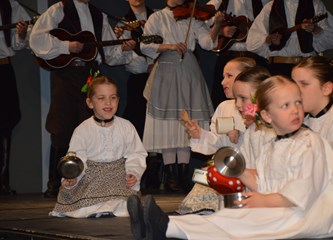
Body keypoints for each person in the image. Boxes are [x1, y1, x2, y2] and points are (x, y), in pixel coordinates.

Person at [127, 75, 333, 240]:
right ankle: (164, 226)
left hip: (307, 214)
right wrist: (241, 172)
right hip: (281, 207)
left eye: (297, 102)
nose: (296, 109)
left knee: (250, 221)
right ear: (268, 116)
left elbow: (302, 191)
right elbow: (265, 183)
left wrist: (263, 200)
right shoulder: (273, 145)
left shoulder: (309, 143)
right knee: (230, 215)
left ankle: (165, 226)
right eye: (285, 105)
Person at [29, 0, 137, 198]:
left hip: (90, 75)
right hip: (67, 75)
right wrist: (65, 45)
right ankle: (55, 182)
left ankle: (88, 182)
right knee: (61, 126)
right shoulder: (59, 9)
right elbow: (36, 38)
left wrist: (124, 49)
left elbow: (109, 53)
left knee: (89, 128)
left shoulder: (99, 14)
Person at [140, 0, 224, 192]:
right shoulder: (157, 17)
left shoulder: (192, 16)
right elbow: (145, 45)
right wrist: (169, 46)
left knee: (189, 120)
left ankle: (182, 174)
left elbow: (207, 43)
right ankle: (170, 174)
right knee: (168, 122)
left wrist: (217, 25)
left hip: (188, 69)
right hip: (166, 70)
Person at [178, 63, 272, 215]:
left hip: (250, 181)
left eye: (229, 76)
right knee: (205, 178)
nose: (223, 82)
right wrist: (199, 135)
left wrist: (241, 133)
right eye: (223, 76)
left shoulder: (268, 127)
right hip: (234, 173)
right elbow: (217, 142)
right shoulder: (225, 107)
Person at [50, 75, 147, 218]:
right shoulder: (83, 129)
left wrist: (133, 172)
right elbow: (76, 158)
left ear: (118, 100)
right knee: (80, 200)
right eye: (101, 98)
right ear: (90, 103)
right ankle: (95, 207)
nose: (108, 103)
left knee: (125, 200)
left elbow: (136, 153)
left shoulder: (126, 126)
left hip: (118, 176)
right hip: (91, 176)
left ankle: (116, 206)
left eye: (113, 97)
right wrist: (74, 176)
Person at [115, 0, 163, 193]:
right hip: (137, 79)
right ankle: (134, 177)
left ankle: (154, 179)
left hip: (159, 76)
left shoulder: (157, 16)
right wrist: (122, 47)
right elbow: (115, 57)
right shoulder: (121, 23)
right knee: (136, 125)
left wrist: (154, 60)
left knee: (156, 126)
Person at [207, 0, 271, 109]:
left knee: (257, 96)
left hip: (254, 56)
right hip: (229, 57)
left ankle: (253, 121)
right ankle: (224, 123)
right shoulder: (219, 1)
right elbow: (199, 28)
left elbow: (271, 25)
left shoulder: (265, 3)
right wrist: (220, 31)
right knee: (222, 96)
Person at [246, 0, 333, 76]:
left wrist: (316, 29)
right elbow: (252, 42)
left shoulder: (315, 4)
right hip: (277, 68)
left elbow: (330, 39)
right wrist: (269, 39)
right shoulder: (270, 7)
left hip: (307, 66)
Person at [0, 0, 31, 195]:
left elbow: (22, 41)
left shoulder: (10, 5)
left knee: (6, 122)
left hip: (3, 68)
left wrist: (21, 33)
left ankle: (3, 180)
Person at [292, 55, 333, 145]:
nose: (295, 91)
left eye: (304, 84)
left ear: (326, 89)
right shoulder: (300, 123)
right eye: (294, 84)